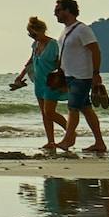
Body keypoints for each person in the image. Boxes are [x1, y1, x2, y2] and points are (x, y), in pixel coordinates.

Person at [51, 0, 108, 154]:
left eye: (58, 10)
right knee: (86, 109)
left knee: (72, 107)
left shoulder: (82, 29)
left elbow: (95, 50)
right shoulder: (65, 31)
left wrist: (96, 73)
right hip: (70, 76)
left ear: (68, 10)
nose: (55, 13)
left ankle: (68, 140)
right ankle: (99, 143)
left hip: (81, 76)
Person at [19, 16, 70, 152]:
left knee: (50, 112)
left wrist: (63, 78)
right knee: (45, 113)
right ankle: (50, 141)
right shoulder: (35, 45)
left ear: (41, 30)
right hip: (38, 82)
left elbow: (60, 62)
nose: (32, 36)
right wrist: (20, 76)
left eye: (33, 33)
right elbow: (30, 62)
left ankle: (70, 132)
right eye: (29, 34)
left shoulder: (53, 44)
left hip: (51, 82)